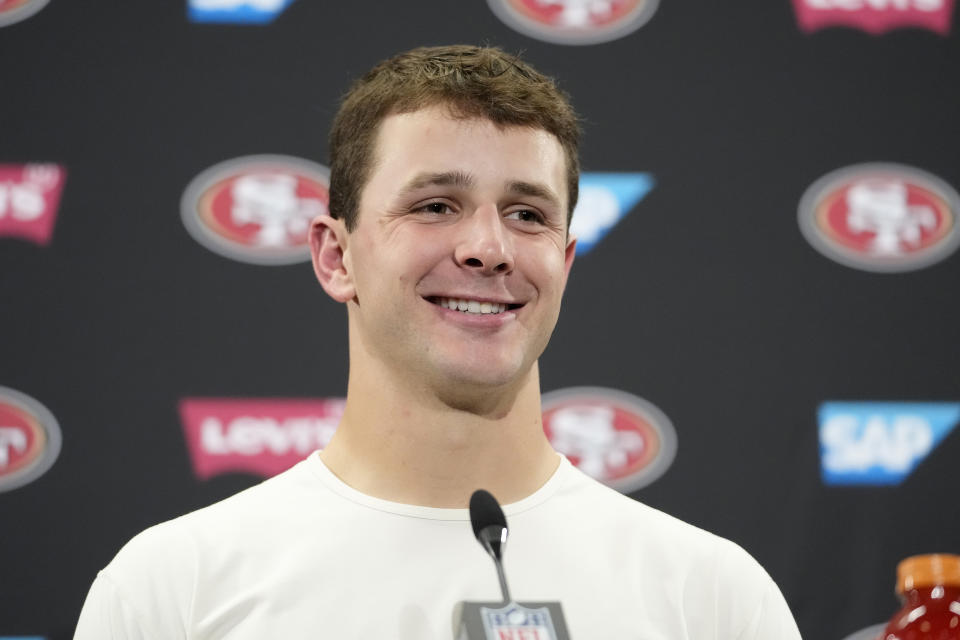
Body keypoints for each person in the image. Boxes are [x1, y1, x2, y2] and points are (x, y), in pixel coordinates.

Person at [75, 45, 802, 639]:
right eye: (435, 205)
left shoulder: (713, 599)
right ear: (336, 257)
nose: (488, 248)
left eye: (526, 214)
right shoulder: (171, 588)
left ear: (565, 263)